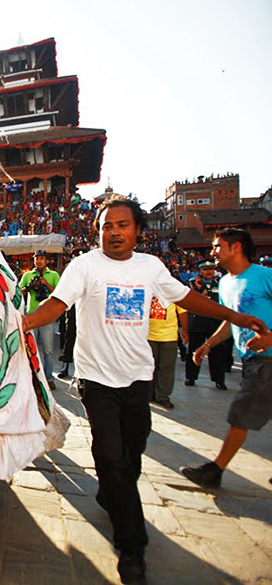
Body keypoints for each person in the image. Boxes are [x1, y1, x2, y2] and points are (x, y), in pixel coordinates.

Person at [23, 197, 264, 585]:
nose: (113, 232)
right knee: (110, 454)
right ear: (97, 230)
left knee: (131, 454)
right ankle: (132, 547)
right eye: (106, 226)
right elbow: (56, 304)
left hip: (138, 379)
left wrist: (234, 316)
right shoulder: (84, 266)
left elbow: (187, 298)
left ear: (137, 230)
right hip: (96, 381)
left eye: (122, 225)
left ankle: (112, 494)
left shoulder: (151, 267)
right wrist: (25, 322)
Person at [181, 228, 272, 488]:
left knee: (239, 414)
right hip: (250, 360)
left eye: (218, 246)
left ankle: (215, 470)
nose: (213, 252)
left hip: (267, 360)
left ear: (236, 247)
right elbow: (231, 321)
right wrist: (208, 344)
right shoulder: (225, 282)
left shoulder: (265, 277)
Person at [185, 261, 230, 389]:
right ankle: (191, 377)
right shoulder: (192, 283)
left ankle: (219, 380)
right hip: (198, 322)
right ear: (199, 271)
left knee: (217, 353)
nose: (208, 272)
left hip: (215, 322)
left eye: (210, 269)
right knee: (194, 350)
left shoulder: (221, 283)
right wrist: (198, 289)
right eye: (205, 269)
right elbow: (189, 300)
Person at [19, 249, 60, 390]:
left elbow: (60, 294)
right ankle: (33, 378)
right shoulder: (28, 275)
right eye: (37, 259)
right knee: (30, 350)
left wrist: (45, 284)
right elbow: (18, 293)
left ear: (46, 260)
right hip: (31, 317)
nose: (39, 261)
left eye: (42, 258)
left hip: (48, 318)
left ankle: (49, 378)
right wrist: (29, 286)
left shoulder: (53, 275)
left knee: (48, 350)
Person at [148, 298, 187, 409]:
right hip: (148, 335)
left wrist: (185, 330)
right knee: (150, 367)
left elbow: (182, 311)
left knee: (166, 368)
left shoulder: (173, 289)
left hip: (169, 337)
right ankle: (149, 393)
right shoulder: (148, 286)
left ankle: (163, 397)